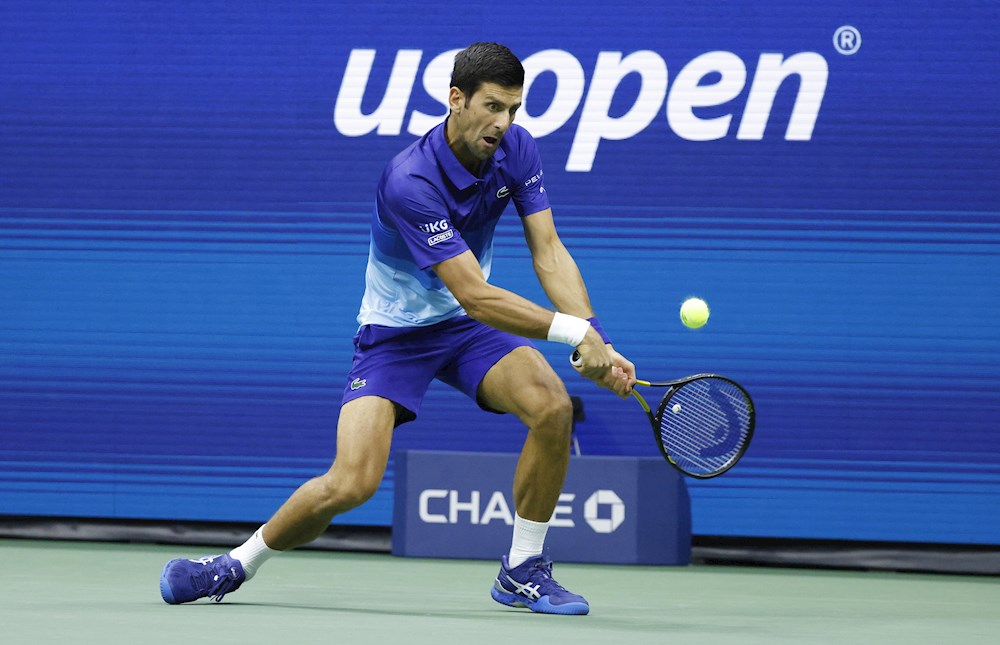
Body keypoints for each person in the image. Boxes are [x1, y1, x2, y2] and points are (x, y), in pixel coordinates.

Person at [159, 42, 636, 616]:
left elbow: (549, 250)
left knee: (552, 408)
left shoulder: (517, 149)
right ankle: (235, 564)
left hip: (464, 330)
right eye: (491, 106)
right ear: (456, 99)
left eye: (513, 108)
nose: (503, 123)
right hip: (396, 337)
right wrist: (570, 333)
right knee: (351, 483)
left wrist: (596, 335)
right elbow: (476, 294)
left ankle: (522, 569)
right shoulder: (410, 181)